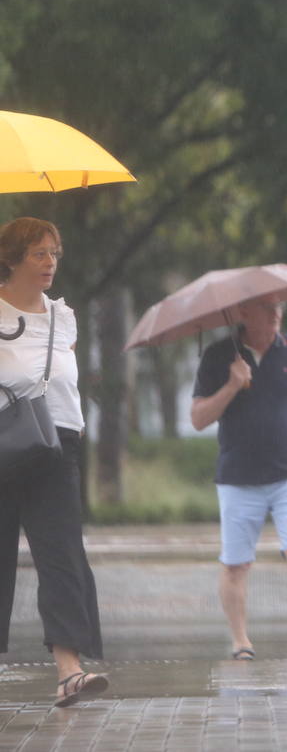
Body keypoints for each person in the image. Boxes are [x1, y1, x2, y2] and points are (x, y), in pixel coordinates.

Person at [191, 293, 287, 661]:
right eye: (267, 308)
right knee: (236, 562)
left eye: (279, 308)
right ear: (243, 312)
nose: (276, 315)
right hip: (238, 476)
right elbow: (198, 418)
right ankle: (241, 642)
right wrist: (231, 385)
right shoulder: (218, 355)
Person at [0, 218, 107, 706]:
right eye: (39, 254)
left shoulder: (63, 316)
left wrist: (76, 422)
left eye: (55, 254)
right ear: (13, 259)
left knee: (62, 555)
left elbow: (65, 378)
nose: (49, 264)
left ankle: (69, 670)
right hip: (4, 444)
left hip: (57, 444)